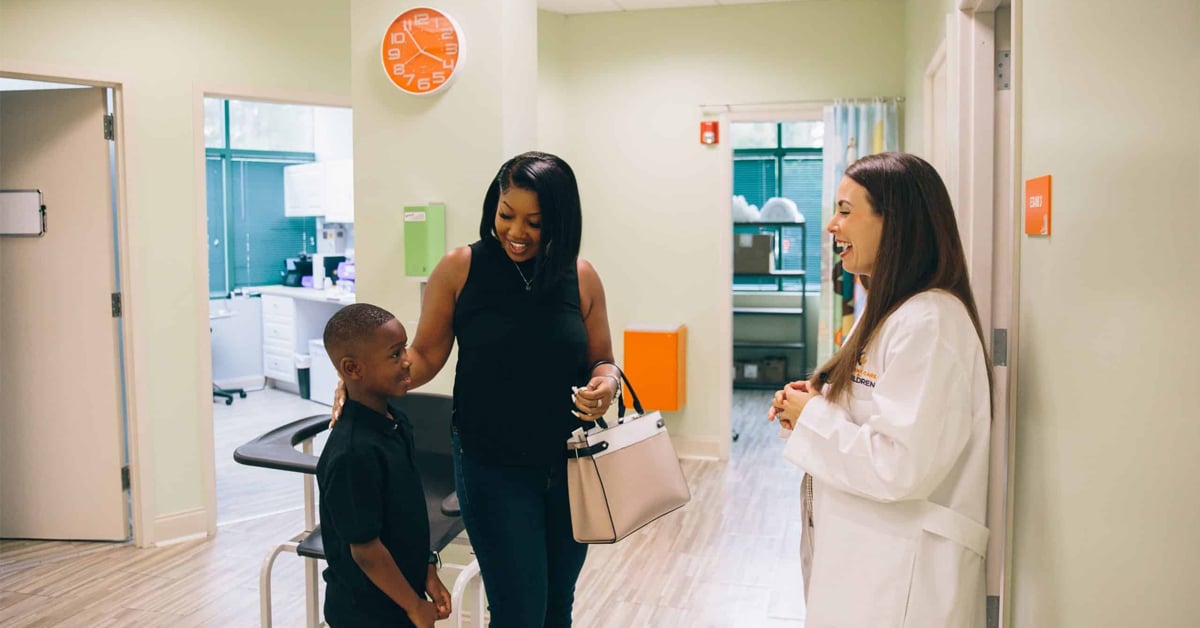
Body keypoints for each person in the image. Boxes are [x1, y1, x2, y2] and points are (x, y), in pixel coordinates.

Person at [334, 151, 620, 627]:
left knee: (556, 606)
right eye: (506, 214)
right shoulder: (460, 268)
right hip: (492, 466)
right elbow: (423, 357)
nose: (516, 231)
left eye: (535, 221)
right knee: (518, 611)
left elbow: (603, 359)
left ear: (561, 220)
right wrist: (363, 381)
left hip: (571, 467)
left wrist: (605, 383)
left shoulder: (581, 276)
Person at [770, 152, 993, 627]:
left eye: (846, 211)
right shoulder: (890, 313)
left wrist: (812, 415)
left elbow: (899, 464)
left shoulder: (930, 323)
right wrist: (813, 403)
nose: (832, 224)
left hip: (905, 580)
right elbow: (870, 412)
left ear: (896, 224)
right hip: (868, 561)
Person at [316, 303, 452, 628]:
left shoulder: (396, 423)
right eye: (394, 354)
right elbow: (366, 550)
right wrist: (415, 606)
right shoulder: (352, 453)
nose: (407, 360)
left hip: (398, 601)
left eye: (404, 347)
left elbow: (406, 517)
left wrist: (426, 568)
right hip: (365, 614)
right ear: (353, 369)